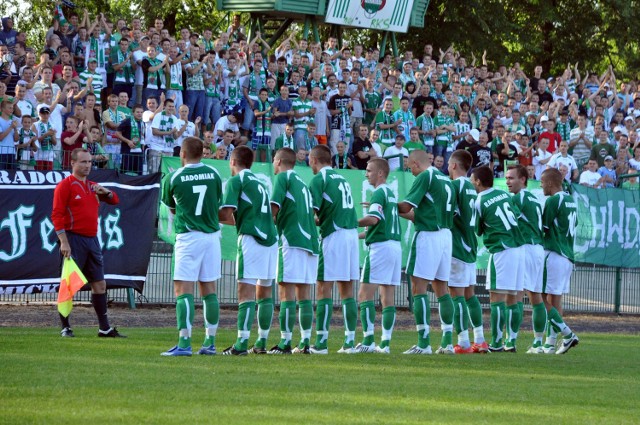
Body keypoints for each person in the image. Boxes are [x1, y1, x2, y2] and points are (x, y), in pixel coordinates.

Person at [51, 148, 124, 338]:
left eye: (90, 162)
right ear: (73, 163)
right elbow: (57, 215)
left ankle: (104, 328)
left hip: (92, 240)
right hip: (73, 239)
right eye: (83, 162)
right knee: (69, 285)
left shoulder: (93, 186)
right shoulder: (65, 186)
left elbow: (114, 200)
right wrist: (63, 242)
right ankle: (65, 327)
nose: (87, 165)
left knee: (99, 284)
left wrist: (105, 191)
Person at [160, 137, 223, 356]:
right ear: (203, 153)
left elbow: (172, 209)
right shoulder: (214, 174)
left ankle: (185, 343)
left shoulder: (173, 177)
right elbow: (217, 205)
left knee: (183, 290)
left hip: (188, 237)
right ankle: (210, 342)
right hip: (212, 237)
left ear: (182, 154)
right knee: (209, 290)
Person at [219, 146, 279, 355]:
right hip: (270, 238)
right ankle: (261, 342)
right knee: (265, 292)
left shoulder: (237, 181)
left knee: (245, 291)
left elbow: (226, 212)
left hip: (251, 238)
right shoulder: (260, 183)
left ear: (233, 162)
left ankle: (241, 344)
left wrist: (203, 215)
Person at [398, 150, 456, 354]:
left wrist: (385, 205)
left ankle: (424, 343)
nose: (410, 171)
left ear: (415, 163)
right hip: (445, 236)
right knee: (442, 288)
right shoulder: (445, 179)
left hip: (428, 235)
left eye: (409, 167)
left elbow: (405, 206)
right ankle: (447, 341)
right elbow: (419, 213)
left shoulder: (425, 176)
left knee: (418, 287)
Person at [308, 144, 359, 354]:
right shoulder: (342, 178)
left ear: (313, 160)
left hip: (334, 235)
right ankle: (349, 341)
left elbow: (311, 213)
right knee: (347, 289)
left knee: (323, 287)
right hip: (351, 233)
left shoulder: (319, 179)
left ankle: (321, 342)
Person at [268, 148, 320, 354]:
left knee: (286, 292)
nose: (273, 164)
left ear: (279, 161)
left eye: (274, 160)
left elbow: (273, 209)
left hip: (292, 240)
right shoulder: (302, 183)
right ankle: (305, 341)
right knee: (304, 295)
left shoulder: (283, 178)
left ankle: (285, 342)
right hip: (310, 242)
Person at [470, 165, 524, 352]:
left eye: (472, 179)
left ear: (477, 181)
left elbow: (477, 229)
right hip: (518, 247)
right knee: (513, 298)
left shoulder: (479, 200)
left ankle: (496, 342)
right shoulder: (505, 194)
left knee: (496, 298)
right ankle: (512, 342)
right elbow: (516, 215)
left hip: (501, 249)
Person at [355, 158, 401, 354]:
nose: (367, 174)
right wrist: (355, 236)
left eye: (369, 170)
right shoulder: (390, 193)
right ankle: (386, 344)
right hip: (395, 247)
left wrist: (348, 222)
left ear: (380, 173)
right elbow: (379, 224)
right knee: (387, 297)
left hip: (380, 249)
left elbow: (373, 220)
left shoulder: (379, 193)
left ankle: (367, 341)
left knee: (364, 295)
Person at [446, 150, 488, 354]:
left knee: (457, 295)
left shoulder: (454, 186)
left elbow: (448, 215)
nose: (447, 166)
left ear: (454, 165)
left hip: (458, 246)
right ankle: (479, 339)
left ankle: (462, 342)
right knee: (470, 295)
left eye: (448, 163)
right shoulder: (473, 188)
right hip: (471, 245)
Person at [505, 165, 546, 353]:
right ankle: (538, 342)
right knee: (536, 297)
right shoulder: (534, 198)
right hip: (538, 248)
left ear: (523, 179)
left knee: (515, 295)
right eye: (506, 178)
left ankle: (510, 341)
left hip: (527, 248)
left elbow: (506, 222)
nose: (507, 182)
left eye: (511, 178)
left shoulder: (518, 198)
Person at [540, 168, 580, 354]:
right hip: (568, 255)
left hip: (554, 252)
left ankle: (567, 333)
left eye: (542, 183)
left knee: (538, 296)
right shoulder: (571, 200)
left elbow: (544, 228)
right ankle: (550, 343)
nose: (541, 186)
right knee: (555, 299)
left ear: (549, 183)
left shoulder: (553, 200)